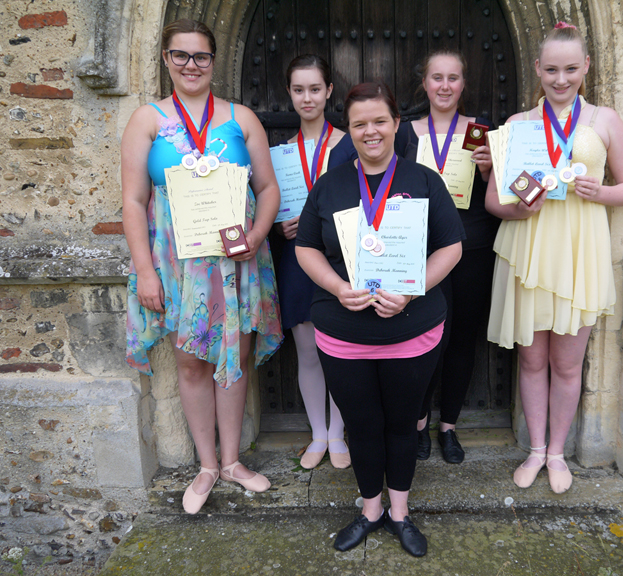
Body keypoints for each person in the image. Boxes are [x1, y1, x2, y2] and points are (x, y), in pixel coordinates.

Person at [295, 82, 463, 556]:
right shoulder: (330, 185)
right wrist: (336, 287)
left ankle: (400, 513)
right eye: (359, 124)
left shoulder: (424, 179)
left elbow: (451, 245)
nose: (371, 131)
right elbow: (306, 246)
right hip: (344, 332)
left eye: (380, 121)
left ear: (395, 125)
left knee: (403, 423)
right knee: (362, 425)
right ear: (349, 131)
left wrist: (413, 289)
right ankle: (371, 510)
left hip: (411, 330)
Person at [122, 19, 283, 514]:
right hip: (176, 263)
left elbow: (268, 189)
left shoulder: (241, 118)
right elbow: (132, 200)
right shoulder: (147, 120)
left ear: (214, 61)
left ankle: (234, 461)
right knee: (191, 360)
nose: (191, 65)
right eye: (181, 56)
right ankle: (207, 464)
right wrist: (145, 271)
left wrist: (256, 238)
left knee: (233, 356)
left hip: (238, 259)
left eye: (201, 56)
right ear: (166, 60)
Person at [485, 22, 623, 493]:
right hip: (530, 246)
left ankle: (558, 453)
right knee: (532, 362)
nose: (560, 79)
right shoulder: (518, 126)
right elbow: (494, 201)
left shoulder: (605, 120)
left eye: (570, 69)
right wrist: (519, 206)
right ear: (537, 68)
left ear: (586, 67)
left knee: (568, 364)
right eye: (551, 69)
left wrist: (602, 192)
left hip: (579, 251)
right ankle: (535, 449)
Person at [395, 50, 499, 464]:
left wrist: (491, 170)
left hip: (471, 247)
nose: (444, 85)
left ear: (463, 84)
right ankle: (419, 421)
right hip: (421, 251)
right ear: (425, 82)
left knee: (460, 340)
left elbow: (497, 193)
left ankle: (449, 426)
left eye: (453, 78)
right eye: (436, 77)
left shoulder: (480, 132)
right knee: (425, 340)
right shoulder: (405, 133)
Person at [274, 55, 357, 470]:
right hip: (296, 259)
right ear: (289, 94)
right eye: (298, 89)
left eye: (314, 89)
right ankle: (318, 434)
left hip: (340, 260)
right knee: (306, 350)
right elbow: (267, 207)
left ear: (328, 92)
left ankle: (339, 434)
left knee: (338, 350)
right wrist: (279, 227)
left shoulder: (349, 143)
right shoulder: (279, 154)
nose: (307, 97)